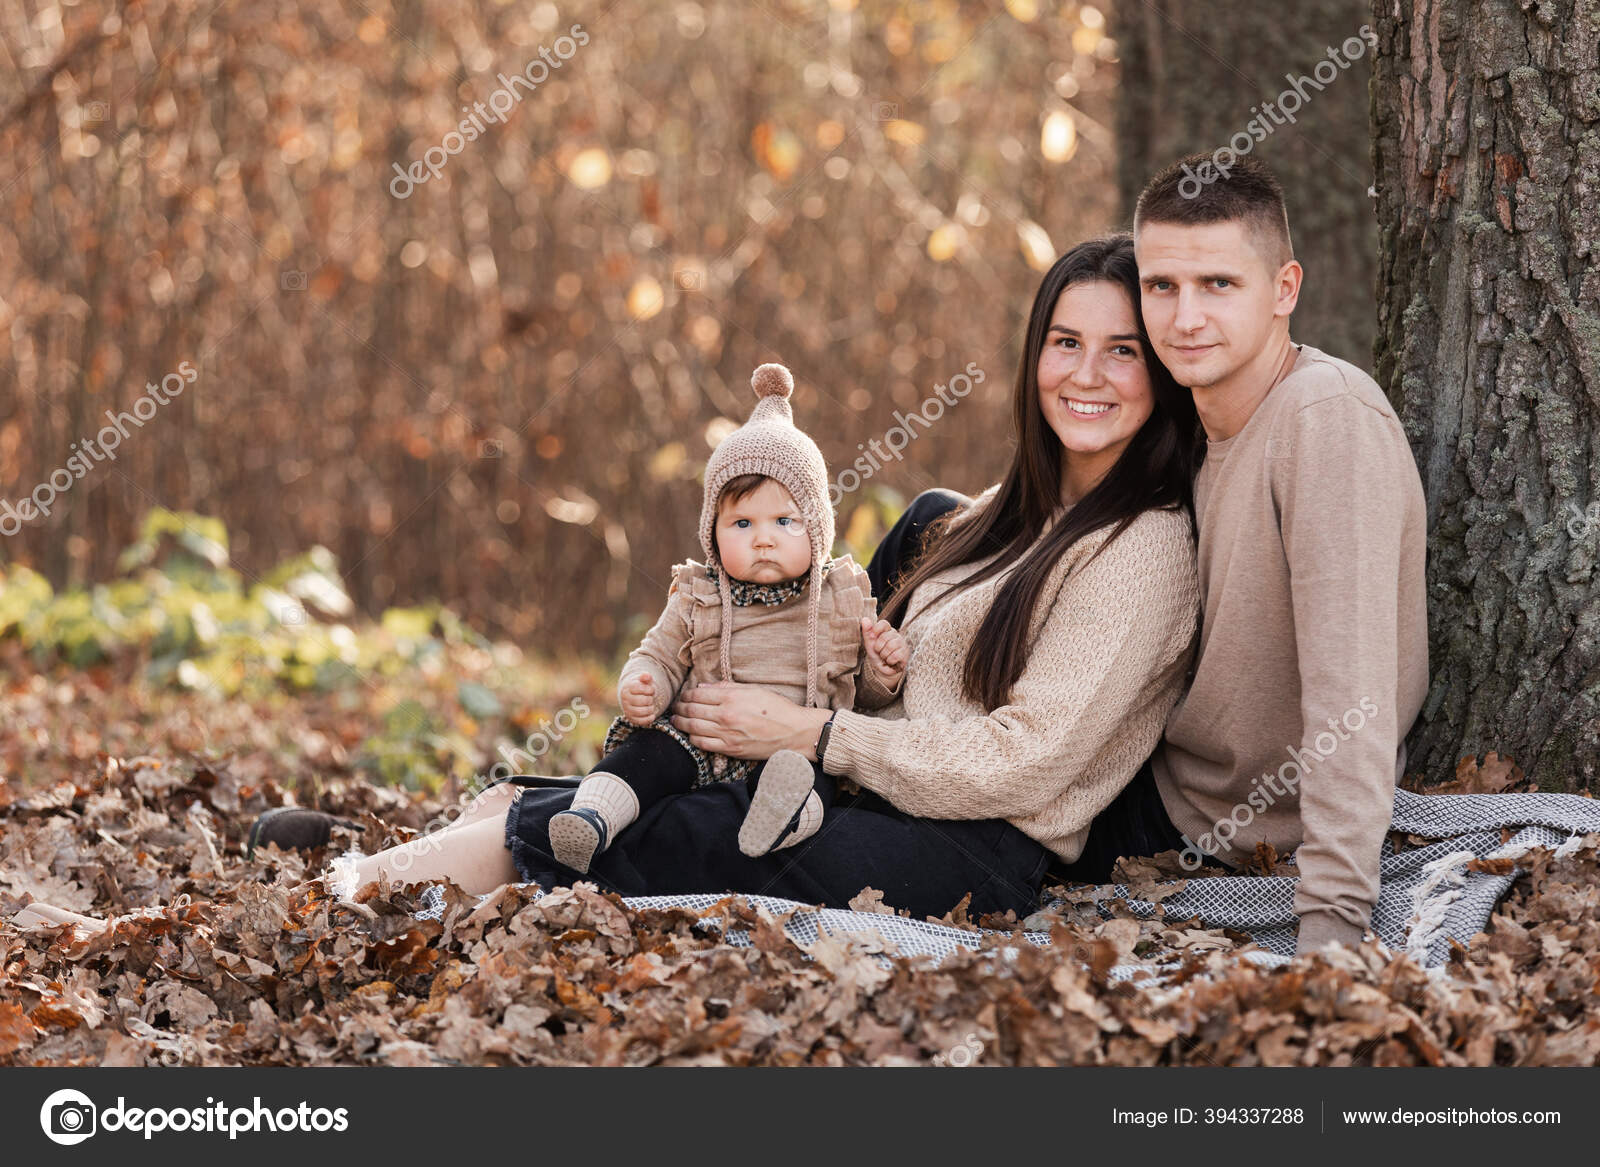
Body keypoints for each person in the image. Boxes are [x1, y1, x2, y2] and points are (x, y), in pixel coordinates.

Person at [14, 233, 1202, 937]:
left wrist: (817, 733)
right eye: (1065, 341)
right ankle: (405, 868)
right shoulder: (995, 521)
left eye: (1121, 351)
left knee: (614, 837)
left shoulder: (1141, 546)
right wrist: (829, 697)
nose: (1086, 374)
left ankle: (311, 905)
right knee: (552, 802)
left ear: (1159, 376)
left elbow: (1027, 764)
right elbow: (886, 689)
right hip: (874, 795)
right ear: (1033, 351)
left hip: (977, 857)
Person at [1131, 153, 1429, 955]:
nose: (1185, 316)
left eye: (1218, 285)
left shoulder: (1323, 419)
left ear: (1284, 290)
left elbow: (1352, 695)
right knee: (932, 518)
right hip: (1149, 772)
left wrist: (1330, 923)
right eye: (1162, 286)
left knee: (931, 845)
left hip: (1207, 824)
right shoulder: (1194, 420)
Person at [546, 360, 908, 873]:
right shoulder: (700, 594)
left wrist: (882, 672)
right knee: (648, 755)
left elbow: (857, 692)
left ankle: (782, 819)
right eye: (741, 522)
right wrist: (643, 683)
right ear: (712, 532)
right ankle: (593, 815)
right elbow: (660, 653)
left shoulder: (838, 600)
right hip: (700, 743)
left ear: (818, 532)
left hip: (789, 750)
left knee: (813, 775)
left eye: (785, 521)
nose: (764, 537)